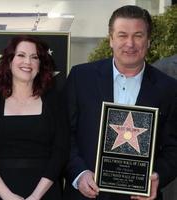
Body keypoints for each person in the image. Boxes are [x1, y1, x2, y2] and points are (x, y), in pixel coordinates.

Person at [63, 5, 177, 200]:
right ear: (111, 39)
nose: (130, 43)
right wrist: (79, 174)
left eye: (138, 35)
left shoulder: (169, 88)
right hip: (86, 195)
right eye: (123, 35)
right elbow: (63, 134)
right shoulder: (81, 78)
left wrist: (157, 176)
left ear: (148, 41)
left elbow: (174, 147)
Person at [0, 35, 69, 200]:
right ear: (10, 61)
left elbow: (60, 152)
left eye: (34, 57)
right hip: (0, 193)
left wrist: (36, 196)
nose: (28, 62)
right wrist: (7, 196)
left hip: (46, 193)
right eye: (21, 55)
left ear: (40, 64)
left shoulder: (54, 102)